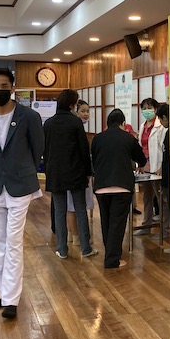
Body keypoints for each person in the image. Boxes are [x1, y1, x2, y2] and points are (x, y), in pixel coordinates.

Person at [0, 67, 44, 320]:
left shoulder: (29, 116)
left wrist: (23, 169)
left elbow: (38, 149)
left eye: (4, 86)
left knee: (14, 241)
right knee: (1, 241)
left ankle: (11, 299)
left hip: (21, 185)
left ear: (13, 88)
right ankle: (3, 291)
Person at [43, 89, 98, 260]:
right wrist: (88, 171)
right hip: (75, 171)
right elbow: (83, 149)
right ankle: (86, 248)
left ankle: (62, 249)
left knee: (60, 210)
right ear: (72, 104)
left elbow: (45, 149)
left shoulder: (48, 123)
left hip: (55, 172)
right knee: (80, 209)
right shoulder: (75, 122)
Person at [92, 108, 147, 268]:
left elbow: (95, 160)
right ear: (123, 123)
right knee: (117, 223)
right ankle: (112, 260)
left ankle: (110, 254)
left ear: (107, 124)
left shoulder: (97, 139)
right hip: (122, 186)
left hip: (101, 186)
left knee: (106, 221)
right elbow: (141, 160)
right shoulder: (128, 138)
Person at [133, 98, 166, 236]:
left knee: (161, 198)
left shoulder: (160, 126)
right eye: (144, 108)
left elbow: (163, 148)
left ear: (155, 109)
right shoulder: (143, 126)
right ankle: (146, 225)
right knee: (147, 198)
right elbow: (140, 147)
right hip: (145, 167)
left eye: (149, 108)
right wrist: (139, 164)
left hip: (157, 167)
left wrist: (161, 166)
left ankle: (165, 228)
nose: (147, 111)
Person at [66, 100, 94, 246]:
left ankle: (72, 234)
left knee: (72, 206)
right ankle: (77, 237)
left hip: (74, 172)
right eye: (82, 111)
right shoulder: (75, 128)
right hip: (77, 173)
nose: (86, 114)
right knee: (74, 206)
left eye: (87, 111)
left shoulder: (79, 128)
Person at [154, 104, 170, 242]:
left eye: (160, 119)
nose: (160, 122)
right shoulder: (168, 132)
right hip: (165, 174)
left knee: (169, 206)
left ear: (165, 117)